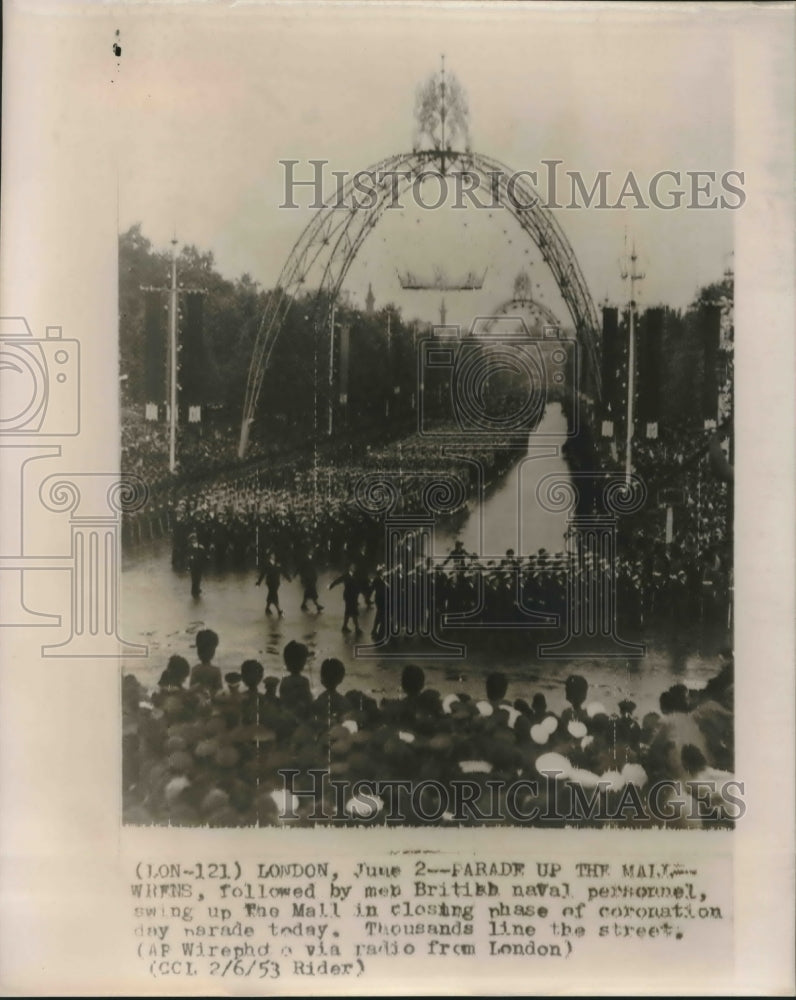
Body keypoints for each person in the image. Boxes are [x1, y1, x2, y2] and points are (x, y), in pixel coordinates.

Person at [278, 640, 312, 717]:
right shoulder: (304, 681)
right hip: (300, 717)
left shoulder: (284, 681)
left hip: (286, 716)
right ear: (302, 663)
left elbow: (282, 701)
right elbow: (308, 701)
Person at [329, 563, 362, 634]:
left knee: (349, 612)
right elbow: (338, 580)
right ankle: (356, 628)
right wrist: (331, 586)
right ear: (349, 568)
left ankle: (345, 626)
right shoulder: (346, 576)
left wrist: (358, 591)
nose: (354, 568)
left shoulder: (355, 575)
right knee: (353, 612)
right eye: (352, 567)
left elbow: (358, 585)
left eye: (354, 567)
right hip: (349, 596)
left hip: (353, 596)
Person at [256, 551, 290, 617]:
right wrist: (258, 583)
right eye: (272, 555)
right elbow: (263, 574)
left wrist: (288, 578)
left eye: (274, 555)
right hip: (270, 583)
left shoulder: (277, 564)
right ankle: (279, 611)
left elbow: (283, 571)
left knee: (271, 595)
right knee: (274, 595)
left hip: (276, 583)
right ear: (269, 557)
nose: (273, 556)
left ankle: (267, 608)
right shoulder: (267, 565)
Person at [187, 532, 208, 598]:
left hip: (199, 565)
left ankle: (197, 589)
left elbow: (203, 555)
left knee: (198, 578)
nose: (194, 541)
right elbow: (188, 556)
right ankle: (194, 591)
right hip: (193, 565)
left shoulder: (200, 547)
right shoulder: (189, 547)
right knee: (194, 579)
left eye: (195, 539)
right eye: (192, 540)